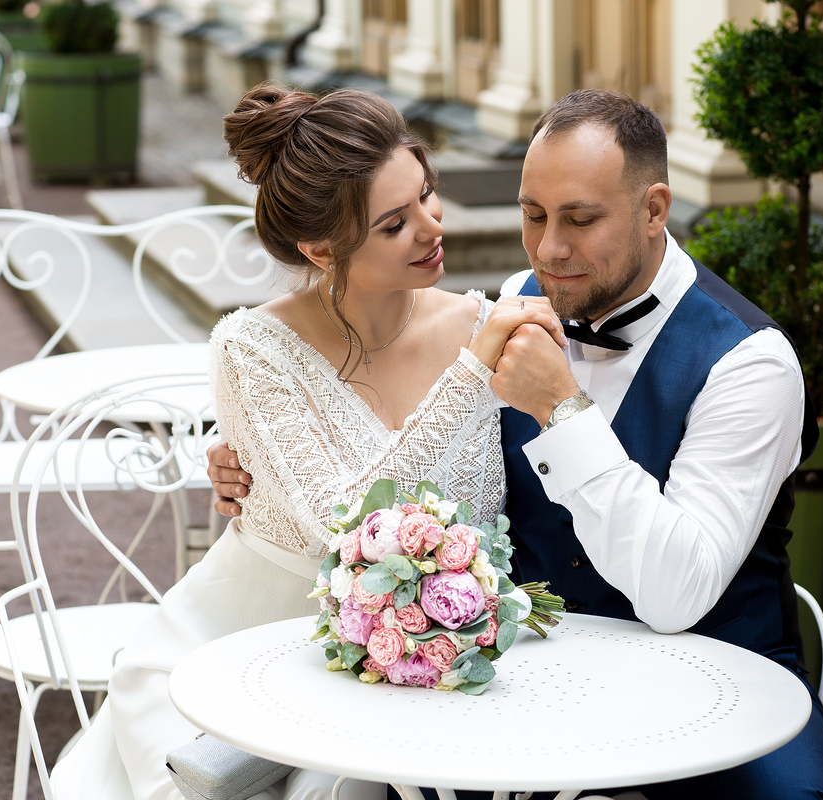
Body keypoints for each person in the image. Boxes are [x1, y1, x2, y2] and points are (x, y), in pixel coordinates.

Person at [208, 89, 823, 799]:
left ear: (654, 209)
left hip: (716, 680)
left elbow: (675, 596)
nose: (549, 249)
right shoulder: (516, 301)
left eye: (580, 219)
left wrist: (562, 409)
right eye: (532, 215)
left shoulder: (750, 365)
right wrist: (253, 473)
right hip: (521, 677)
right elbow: (405, 473)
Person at [49, 84, 564, 800]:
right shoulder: (252, 347)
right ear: (321, 248)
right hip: (240, 645)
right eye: (394, 224)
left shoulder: (488, 326)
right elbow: (339, 526)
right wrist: (468, 372)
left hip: (429, 659)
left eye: (427, 193)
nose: (431, 226)